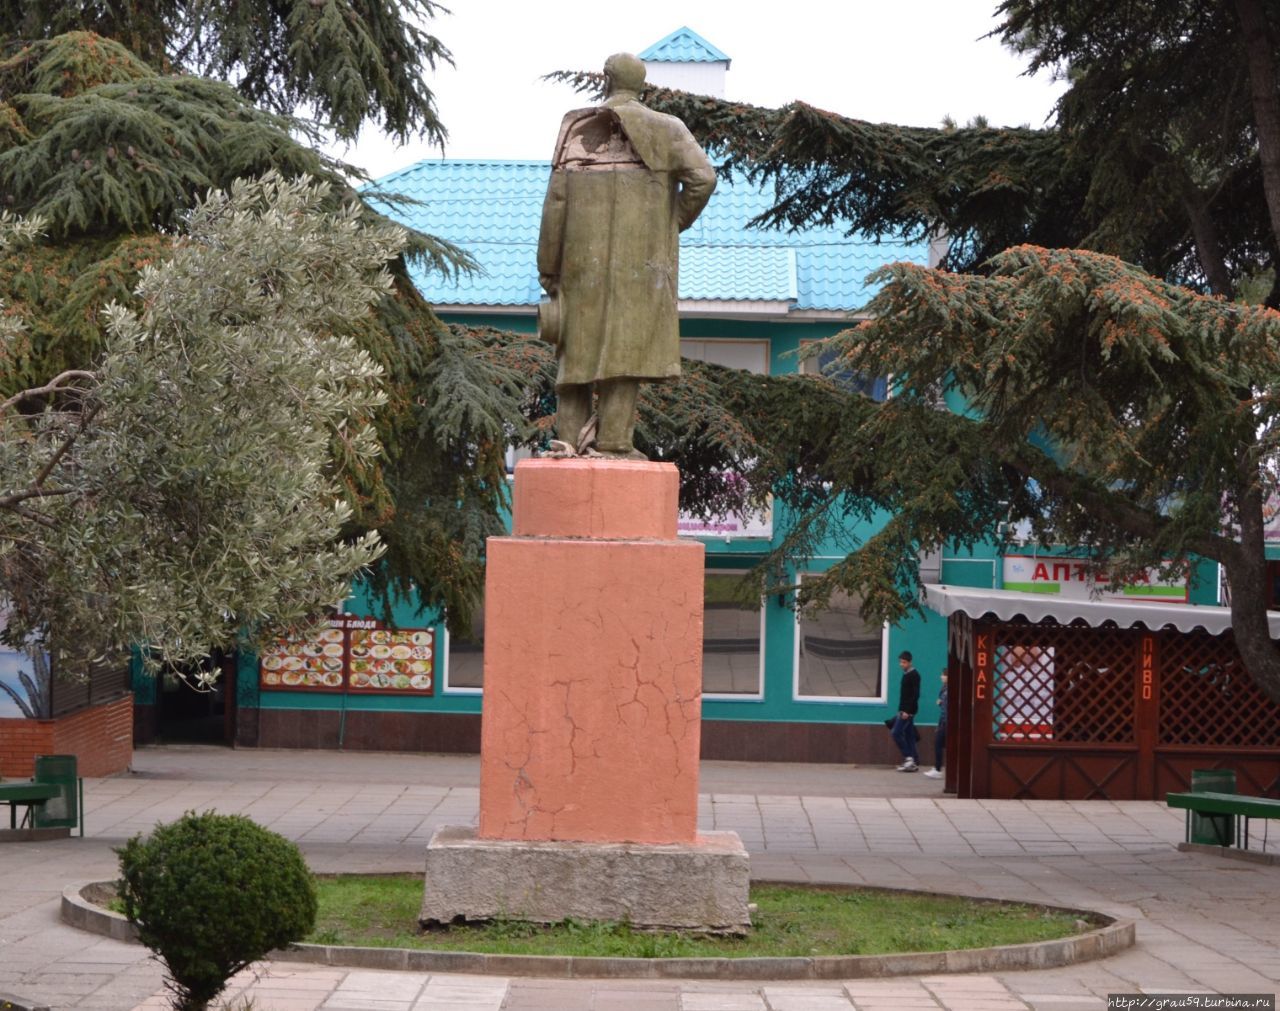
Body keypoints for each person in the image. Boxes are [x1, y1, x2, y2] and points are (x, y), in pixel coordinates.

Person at [537, 52, 717, 458]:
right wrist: (672, 223)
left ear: (606, 80)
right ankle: (615, 442)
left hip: (579, 269)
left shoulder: (577, 128)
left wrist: (548, 267)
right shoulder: (668, 129)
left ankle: (567, 442)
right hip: (642, 268)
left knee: (575, 360)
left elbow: (556, 204)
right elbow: (703, 179)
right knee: (624, 352)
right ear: (642, 85)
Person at [890, 650, 921, 772]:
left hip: (907, 712)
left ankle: (908, 758)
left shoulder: (914, 675)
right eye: (900, 662)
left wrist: (906, 711)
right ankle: (915, 761)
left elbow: (915, 694)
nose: (901, 664)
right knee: (909, 736)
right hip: (904, 710)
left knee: (895, 732)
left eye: (904, 662)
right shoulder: (906, 674)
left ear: (910, 662)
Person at [923, 668, 948, 779]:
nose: (941, 677)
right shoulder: (944, 688)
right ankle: (937, 768)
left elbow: (947, 708)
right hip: (943, 720)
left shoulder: (948, 689)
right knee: (939, 743)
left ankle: (938, 769)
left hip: (946, 721)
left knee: (938, 743)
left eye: (943, 675)